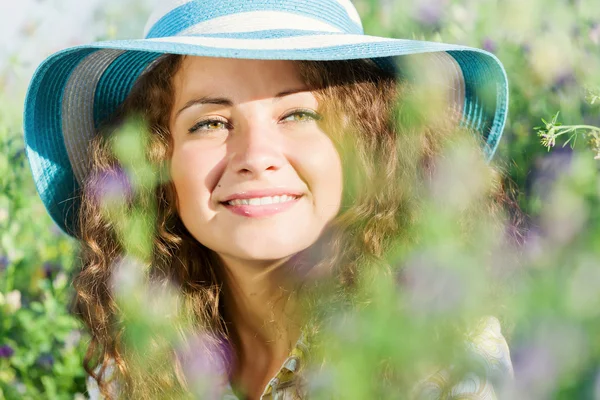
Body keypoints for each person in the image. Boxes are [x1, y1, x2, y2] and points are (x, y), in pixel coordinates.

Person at [23, 0, 515, 398]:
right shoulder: (132, 367)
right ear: (158, 165)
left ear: (367, 147)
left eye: (298, 115)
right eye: (210, 122)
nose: (256, 157)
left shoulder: (442, 355)